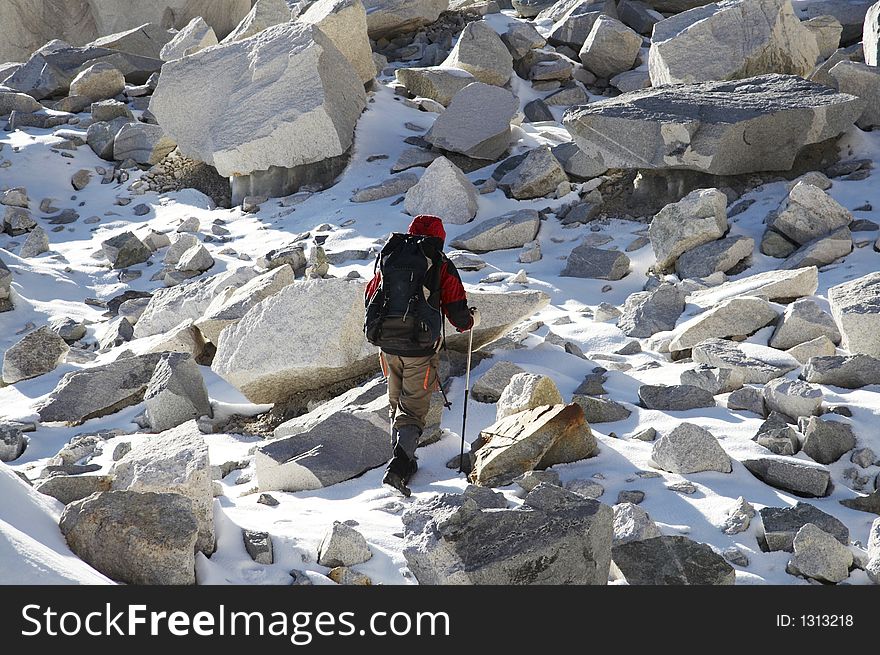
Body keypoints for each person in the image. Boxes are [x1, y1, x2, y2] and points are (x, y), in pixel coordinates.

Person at [364, 215, 479, 496]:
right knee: (412, 410)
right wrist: (469, 320)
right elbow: (457, 311)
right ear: (440, 238)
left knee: (396, 403)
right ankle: (399, 468)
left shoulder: (391, 255)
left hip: (386, 346)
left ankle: (404, 459)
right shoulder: (439, 262)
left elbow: (371, 296)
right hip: (420, 349)